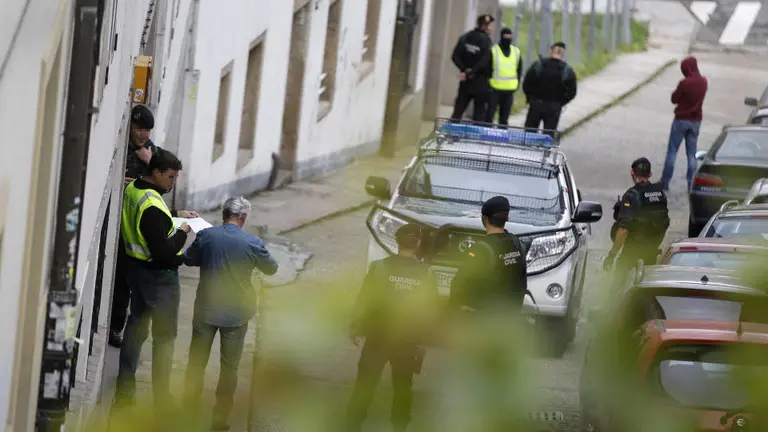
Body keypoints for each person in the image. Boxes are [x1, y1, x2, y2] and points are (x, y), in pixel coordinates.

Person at [182, 196, 278, 431]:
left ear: (224, 213)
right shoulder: (253, 243)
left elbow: (188, 259)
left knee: (196, 362)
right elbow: (272, 268)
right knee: (229, 368)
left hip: (206, 308)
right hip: (236, 313)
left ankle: (188, 411)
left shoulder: (207, 236)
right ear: (243, 218)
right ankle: (220, 418)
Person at [113, 149, 196, 415]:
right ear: (157, 172)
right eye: (170, 177)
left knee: (136, 327)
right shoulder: (152, 207)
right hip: (159, 278)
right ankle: (162, 397)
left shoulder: (135, 188)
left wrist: (174, 213)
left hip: (135, 271)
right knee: (164, 339)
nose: (173, 183)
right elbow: (164, 251)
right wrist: (183, 231)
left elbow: (150, 218)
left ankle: (124, 392)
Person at [346, 224, 438, 432]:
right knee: (403, 387)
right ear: (418, 244)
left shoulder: (379, 268)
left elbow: (364, 300)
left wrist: (355, 325)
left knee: (365, 385)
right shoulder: (426, 274)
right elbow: (429, 311)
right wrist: (423, 340)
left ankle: (352, 424)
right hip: (407, 342)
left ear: (397, 243)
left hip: (377, 337)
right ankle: (399, 426)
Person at [109, 104, 168, 348]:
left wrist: (151, 161)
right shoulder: (119, 144)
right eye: (140, 129)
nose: (144, 135)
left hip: (135, 226)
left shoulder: (153, 153)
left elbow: (165, 184)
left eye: (148, 131)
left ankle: (115, 329)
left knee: (125, 282)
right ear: (131, 127)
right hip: (115, 219)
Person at [449, 196, 528, 312]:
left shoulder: (480, 249)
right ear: (506, 218)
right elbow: (522, 284)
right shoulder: (517, 244)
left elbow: (459, 284)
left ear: (484, 219)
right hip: (508, 319)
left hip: (482, 320)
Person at [603, 158, 670, 288]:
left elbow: (623, 229)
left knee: (617, 286)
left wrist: (612, 254)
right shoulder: (661, 194)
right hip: (651, 251)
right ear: (650, 174)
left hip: (632, 251)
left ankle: (615, 306)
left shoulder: (632, 195)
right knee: (647, 288)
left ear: (632, 173)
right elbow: (664, 222)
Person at [659, 56, 708, 191]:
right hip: (696, 121)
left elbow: (674, 99)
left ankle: (665, 181)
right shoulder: (704, 82)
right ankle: (691, 183)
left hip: (681, 120)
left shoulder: (684, 83)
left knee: (672, 151)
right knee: (691, 154)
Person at [522, 42, 577, 136]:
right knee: (548, 137)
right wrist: (561, 103)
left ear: (550, 51)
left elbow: (526, 84)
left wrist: (530, 98)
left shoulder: (538, 65)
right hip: (553, 107)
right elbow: (572, 92)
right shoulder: (567, 70)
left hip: (536, 104)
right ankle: (545, 151)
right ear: (563, 54)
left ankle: (529, 150)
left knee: (529, 135)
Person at [450, 14, 495, 122]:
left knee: (458, 110)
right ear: (484, 26)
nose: (491, 28)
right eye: (489, 25)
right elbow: (485, 61)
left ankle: (450, 134)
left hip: (466, 80)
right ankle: (475, 137)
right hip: (480, 81)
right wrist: (472, 71)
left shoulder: (466, 37)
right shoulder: (486, 41)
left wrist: (464, 70)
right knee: (479, 113)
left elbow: (455, 56)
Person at [486, 27, 523, 126]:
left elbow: (519, 70)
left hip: (509, 91)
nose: (507, 38)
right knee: (489, 116)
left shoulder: (516, 52)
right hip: (494, 89)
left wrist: (517, 84)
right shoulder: (494, 50)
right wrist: (488, 85)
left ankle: (501, 139)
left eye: (509, 36)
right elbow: (488, 68)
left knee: (504, 118)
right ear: (501, 37)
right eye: (505, 36)